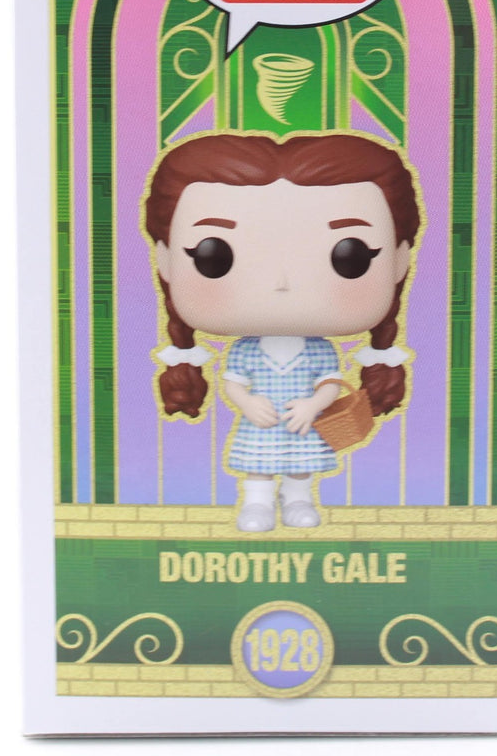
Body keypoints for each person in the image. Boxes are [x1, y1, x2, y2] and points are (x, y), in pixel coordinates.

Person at [144, 133, 422, 531]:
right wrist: (246, 403)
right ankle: (256, 504)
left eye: (351, 256)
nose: (281, 283)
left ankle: (297, 501)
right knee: (257, 468)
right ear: (166, 260)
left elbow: (329, 382)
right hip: (261, 422)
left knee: (300, 468)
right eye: (213, 255)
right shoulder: (245, 351)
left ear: (399, 260)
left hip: (300, 422)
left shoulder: (320, 351)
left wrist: (313, 406)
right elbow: (234, 382)